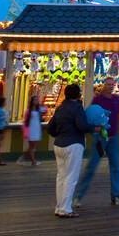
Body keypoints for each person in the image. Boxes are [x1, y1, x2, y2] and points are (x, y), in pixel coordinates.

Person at [46, 84, 102, 218]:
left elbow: (50, 128)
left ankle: (59, 206)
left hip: (59, 144)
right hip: (74, 144)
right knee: (71, 176)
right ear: (78, 94)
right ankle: (65, 208)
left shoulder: (60, 108)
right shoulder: (77, 108)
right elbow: (81, 125)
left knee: (61, 176)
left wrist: (60, 134)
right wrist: (93, 128)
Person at [76, 77, 119, 207]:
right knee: (92, 166)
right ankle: (78, 196)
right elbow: (91, 115)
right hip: (100, 138)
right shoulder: (98, 99)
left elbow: (118, 116)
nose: (110, 86)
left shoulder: (116, 99)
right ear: (103, 85)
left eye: (112, 84)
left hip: (113, 137)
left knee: (115, 167)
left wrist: (116, 129)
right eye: (108, 84)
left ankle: (116, 195)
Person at [20, 95, 44, 166]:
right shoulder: (28, 111)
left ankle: (22, 158)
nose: (36, 101)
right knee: (31, 146)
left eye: (37, 100)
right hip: (31, 129)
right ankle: (33, 161)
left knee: (35, 146)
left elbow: (40, 118)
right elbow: (25, 121)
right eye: (35, 100)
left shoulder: (38, 110)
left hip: (37, 128)